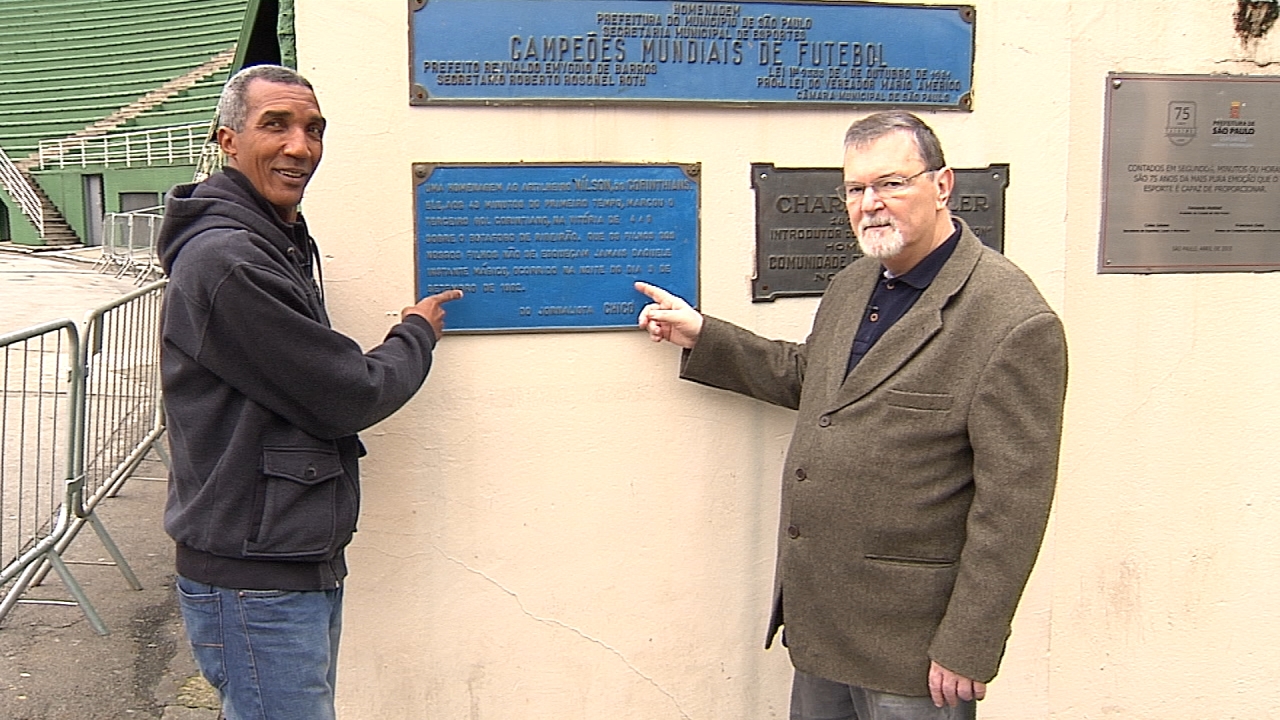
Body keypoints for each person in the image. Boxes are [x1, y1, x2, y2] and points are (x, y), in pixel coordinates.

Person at [637, 110, 1067, 719]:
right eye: (856, 188)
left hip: (914, 652)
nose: (870, 203)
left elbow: (1013, 506)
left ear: (942, 185)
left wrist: (970, 644)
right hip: (823, 626)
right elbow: (817, 383)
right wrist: (704, 335)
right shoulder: (855, 285)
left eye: (891, 183)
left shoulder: (1012, 321)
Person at [156, 64, 461, 720]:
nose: (301, 146)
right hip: (256, 581)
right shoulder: (230, 262)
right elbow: (346, 394)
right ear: (227, 140)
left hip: (285, 560)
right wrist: (416, 334)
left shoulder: (275, 240)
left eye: (314, 129)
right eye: (277, 125)